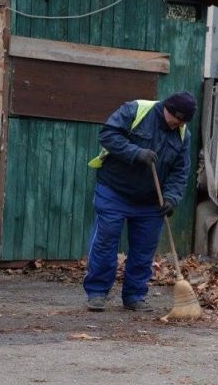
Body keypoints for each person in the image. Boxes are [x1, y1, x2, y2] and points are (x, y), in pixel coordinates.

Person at [83, 91, 197, 312]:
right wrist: (136, 152)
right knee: (105, 242)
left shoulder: (183, 134)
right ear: (168, 109)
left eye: (183, 122)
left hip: (151, 201)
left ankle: (135, 296)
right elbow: (108, 135)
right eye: (177, 119)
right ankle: (97, 293)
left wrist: (171, 198)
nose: (179, 125)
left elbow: (180, 172)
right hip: (114, 190)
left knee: (144, 250)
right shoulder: (135, 111)